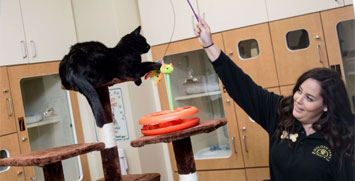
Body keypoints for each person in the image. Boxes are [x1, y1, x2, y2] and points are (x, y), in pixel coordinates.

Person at [194, 16, 354, 181]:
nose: (298, 100)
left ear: (326, 105)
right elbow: (243, 87)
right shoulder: (282, 113)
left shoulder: (344, 137)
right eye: (299, 90)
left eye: (309, 98)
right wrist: (209, 45)